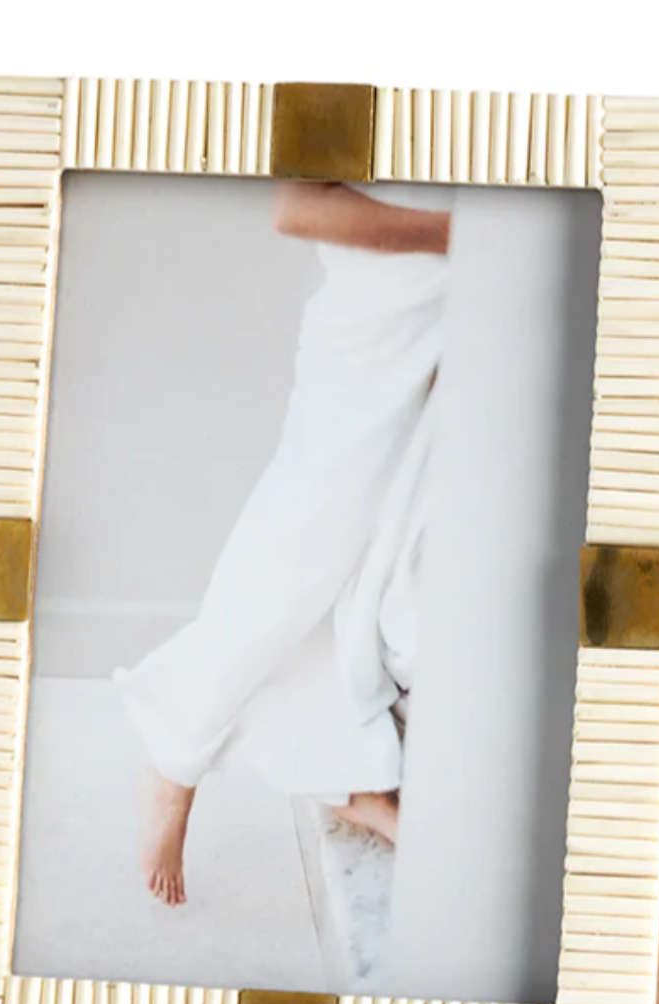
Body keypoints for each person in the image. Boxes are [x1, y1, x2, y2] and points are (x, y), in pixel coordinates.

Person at [114, 180, 455, 906]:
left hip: (460, 324)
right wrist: (468, 237)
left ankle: (351, 779)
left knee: (378, 575)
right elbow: (298, 207)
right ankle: (172, 762)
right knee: (294, 562)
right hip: (380, 326)